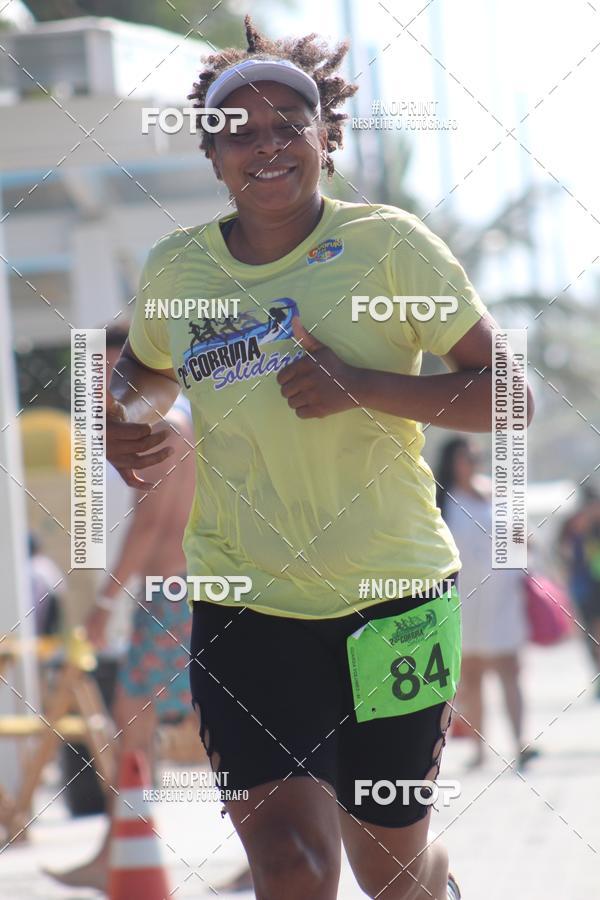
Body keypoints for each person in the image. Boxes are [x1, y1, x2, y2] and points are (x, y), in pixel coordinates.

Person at [106, 16, 534, 900]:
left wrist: (360, 385)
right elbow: (139, 378)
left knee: (391, 870)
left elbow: (510, 397)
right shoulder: (176, 271)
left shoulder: (391, 246)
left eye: (286, 126)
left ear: (327, 139)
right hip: (245, 604)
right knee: (293, 868)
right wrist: (120, 426)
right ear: (213, 157)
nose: (265, 145)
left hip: (395, 600)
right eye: (240, 132)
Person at [45, 329, 198, 893]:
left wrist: (106, 601)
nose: (107, 385)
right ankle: (119, 847)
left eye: (115, 370)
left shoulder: (158, 425)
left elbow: (153, 524)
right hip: (186, 589)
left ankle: (119, 850)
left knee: (135, 718)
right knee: (181, 722)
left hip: (173, 593)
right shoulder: (177, 417)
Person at [436, 437, 537, 770]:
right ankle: (479, 749)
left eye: (476, 456)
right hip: (465, 598)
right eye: (467, 457)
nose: (473, 462)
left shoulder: (496, 493)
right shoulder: (442, 501)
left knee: (510, 667)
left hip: (502, 594)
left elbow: (525, 539)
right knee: (473, 675)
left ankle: (522, 742)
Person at [558, 484, 600, 694]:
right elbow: (562, 551)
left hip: (589, 587)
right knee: (590, 634)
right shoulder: (573, 523)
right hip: (584, 587)